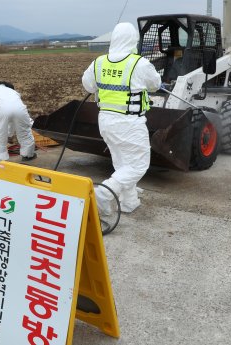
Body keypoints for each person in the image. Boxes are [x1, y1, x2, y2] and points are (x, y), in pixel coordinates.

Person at [82, 22, 161, 214]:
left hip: (106, 121)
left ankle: (128, 202)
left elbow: (88, 86)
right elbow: (156, 84)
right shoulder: (138, 63)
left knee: (122, 164)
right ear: (133, 40)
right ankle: (103, 193)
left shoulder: (99, 62)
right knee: (138, 165)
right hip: (129, 123)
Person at [0, 81, 36, 162]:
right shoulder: (14, 92)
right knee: (25, 131)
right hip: (20, 110)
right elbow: (16, 107)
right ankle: (28, 155)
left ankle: (1, 159)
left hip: (1, 111)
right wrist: (30, 123)